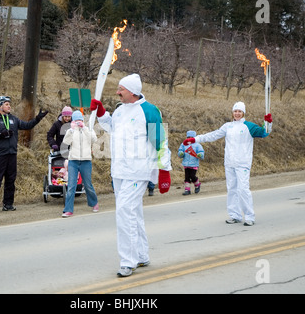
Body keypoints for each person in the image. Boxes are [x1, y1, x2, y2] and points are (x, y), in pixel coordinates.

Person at [91, 73, 172, 277]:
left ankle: (128, 261)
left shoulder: (149, 111)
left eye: (121, 89)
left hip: (138, 171)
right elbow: (110, 127)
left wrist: (164, 171)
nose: (117, 92)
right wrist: (101, 113)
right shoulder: (119, 111)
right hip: (119, 171)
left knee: (124, 212)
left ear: (133, 92)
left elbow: (160, 141)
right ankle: (142, 255)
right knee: (133, 213)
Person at [183, 101, 272, 226]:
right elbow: (213, 135)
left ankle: (249, 216)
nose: (237, 113)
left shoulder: (249, 126)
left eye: (239, 111)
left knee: (243, 189)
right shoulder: (227, 126)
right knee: (232, 189)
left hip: (243, 163)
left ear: (243, 113)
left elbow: (264, 132)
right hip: (229, 163)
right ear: (232, 113)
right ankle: (235, 215)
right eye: (235, 111)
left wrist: (268, 123)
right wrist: (195, 139)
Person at [0, 96, 48, 213]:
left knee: (10, 179)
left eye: (9, 104)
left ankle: (8, 204)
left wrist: (38, 118)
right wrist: (0, 135)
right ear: (0, 106)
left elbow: (27, 126)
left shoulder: (13, 119)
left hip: (12, 154)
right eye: (7, 104)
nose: (9, 106)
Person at [61, 110, 99, 217]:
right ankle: (68, 209)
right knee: (71, 185)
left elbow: (93, 140)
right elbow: (66, 142)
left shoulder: (88, 129)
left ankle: (94, 202)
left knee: (88, 184)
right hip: (73, 161)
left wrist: (85, 129)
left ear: (82, 120)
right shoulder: (70, 131)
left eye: (79, 120)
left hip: (86, 161)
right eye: (75, 121)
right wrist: (71, 130)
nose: (78, 123)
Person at [177, 130, 204, 195]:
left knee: (192, 176)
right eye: (188, 137)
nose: (189, 138)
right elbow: (180, 151)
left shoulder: (197, 145)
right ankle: (187, 190)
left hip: (194, 164)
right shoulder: (183, 144)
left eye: (191, 137)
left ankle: (197, 184)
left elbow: (201, 152)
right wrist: (180, 153)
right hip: (186, 163)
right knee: (187, 177)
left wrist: (200, 155)